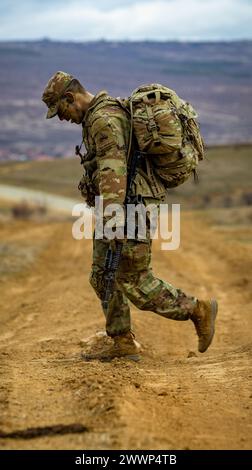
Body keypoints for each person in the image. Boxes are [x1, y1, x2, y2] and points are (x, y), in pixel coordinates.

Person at [42, 71, 218, 362]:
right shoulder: (98, 115)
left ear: (71, 98)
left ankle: (196, 309)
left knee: (134, 280)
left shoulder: (103, 120)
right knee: (102, 276)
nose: (62, 118)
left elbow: (114, 174)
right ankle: (122, 341)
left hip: (131, 206)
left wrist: (114, 222)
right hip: (118, 207)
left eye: (60, 110)